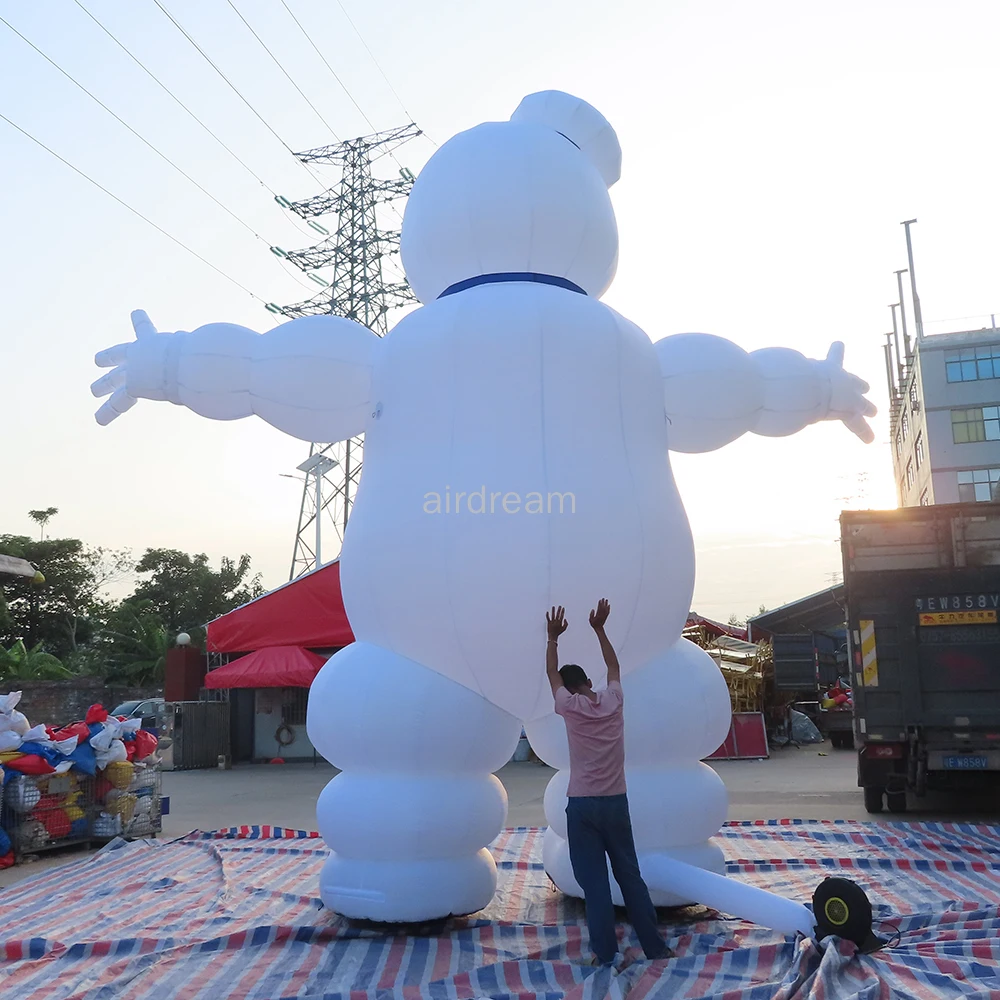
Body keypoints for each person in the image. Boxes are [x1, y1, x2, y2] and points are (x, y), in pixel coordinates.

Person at [545, 600, 673, 968]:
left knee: (596, 886)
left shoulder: (568, 707)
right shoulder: (613, 702)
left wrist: (553, 638)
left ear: (569, 690)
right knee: (630, 876)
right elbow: (613, 667)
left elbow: (551, 674)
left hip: (583, 806)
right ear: (588, 682)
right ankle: (655, 948)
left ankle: (605, 954)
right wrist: (599, 629)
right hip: (616, 802)